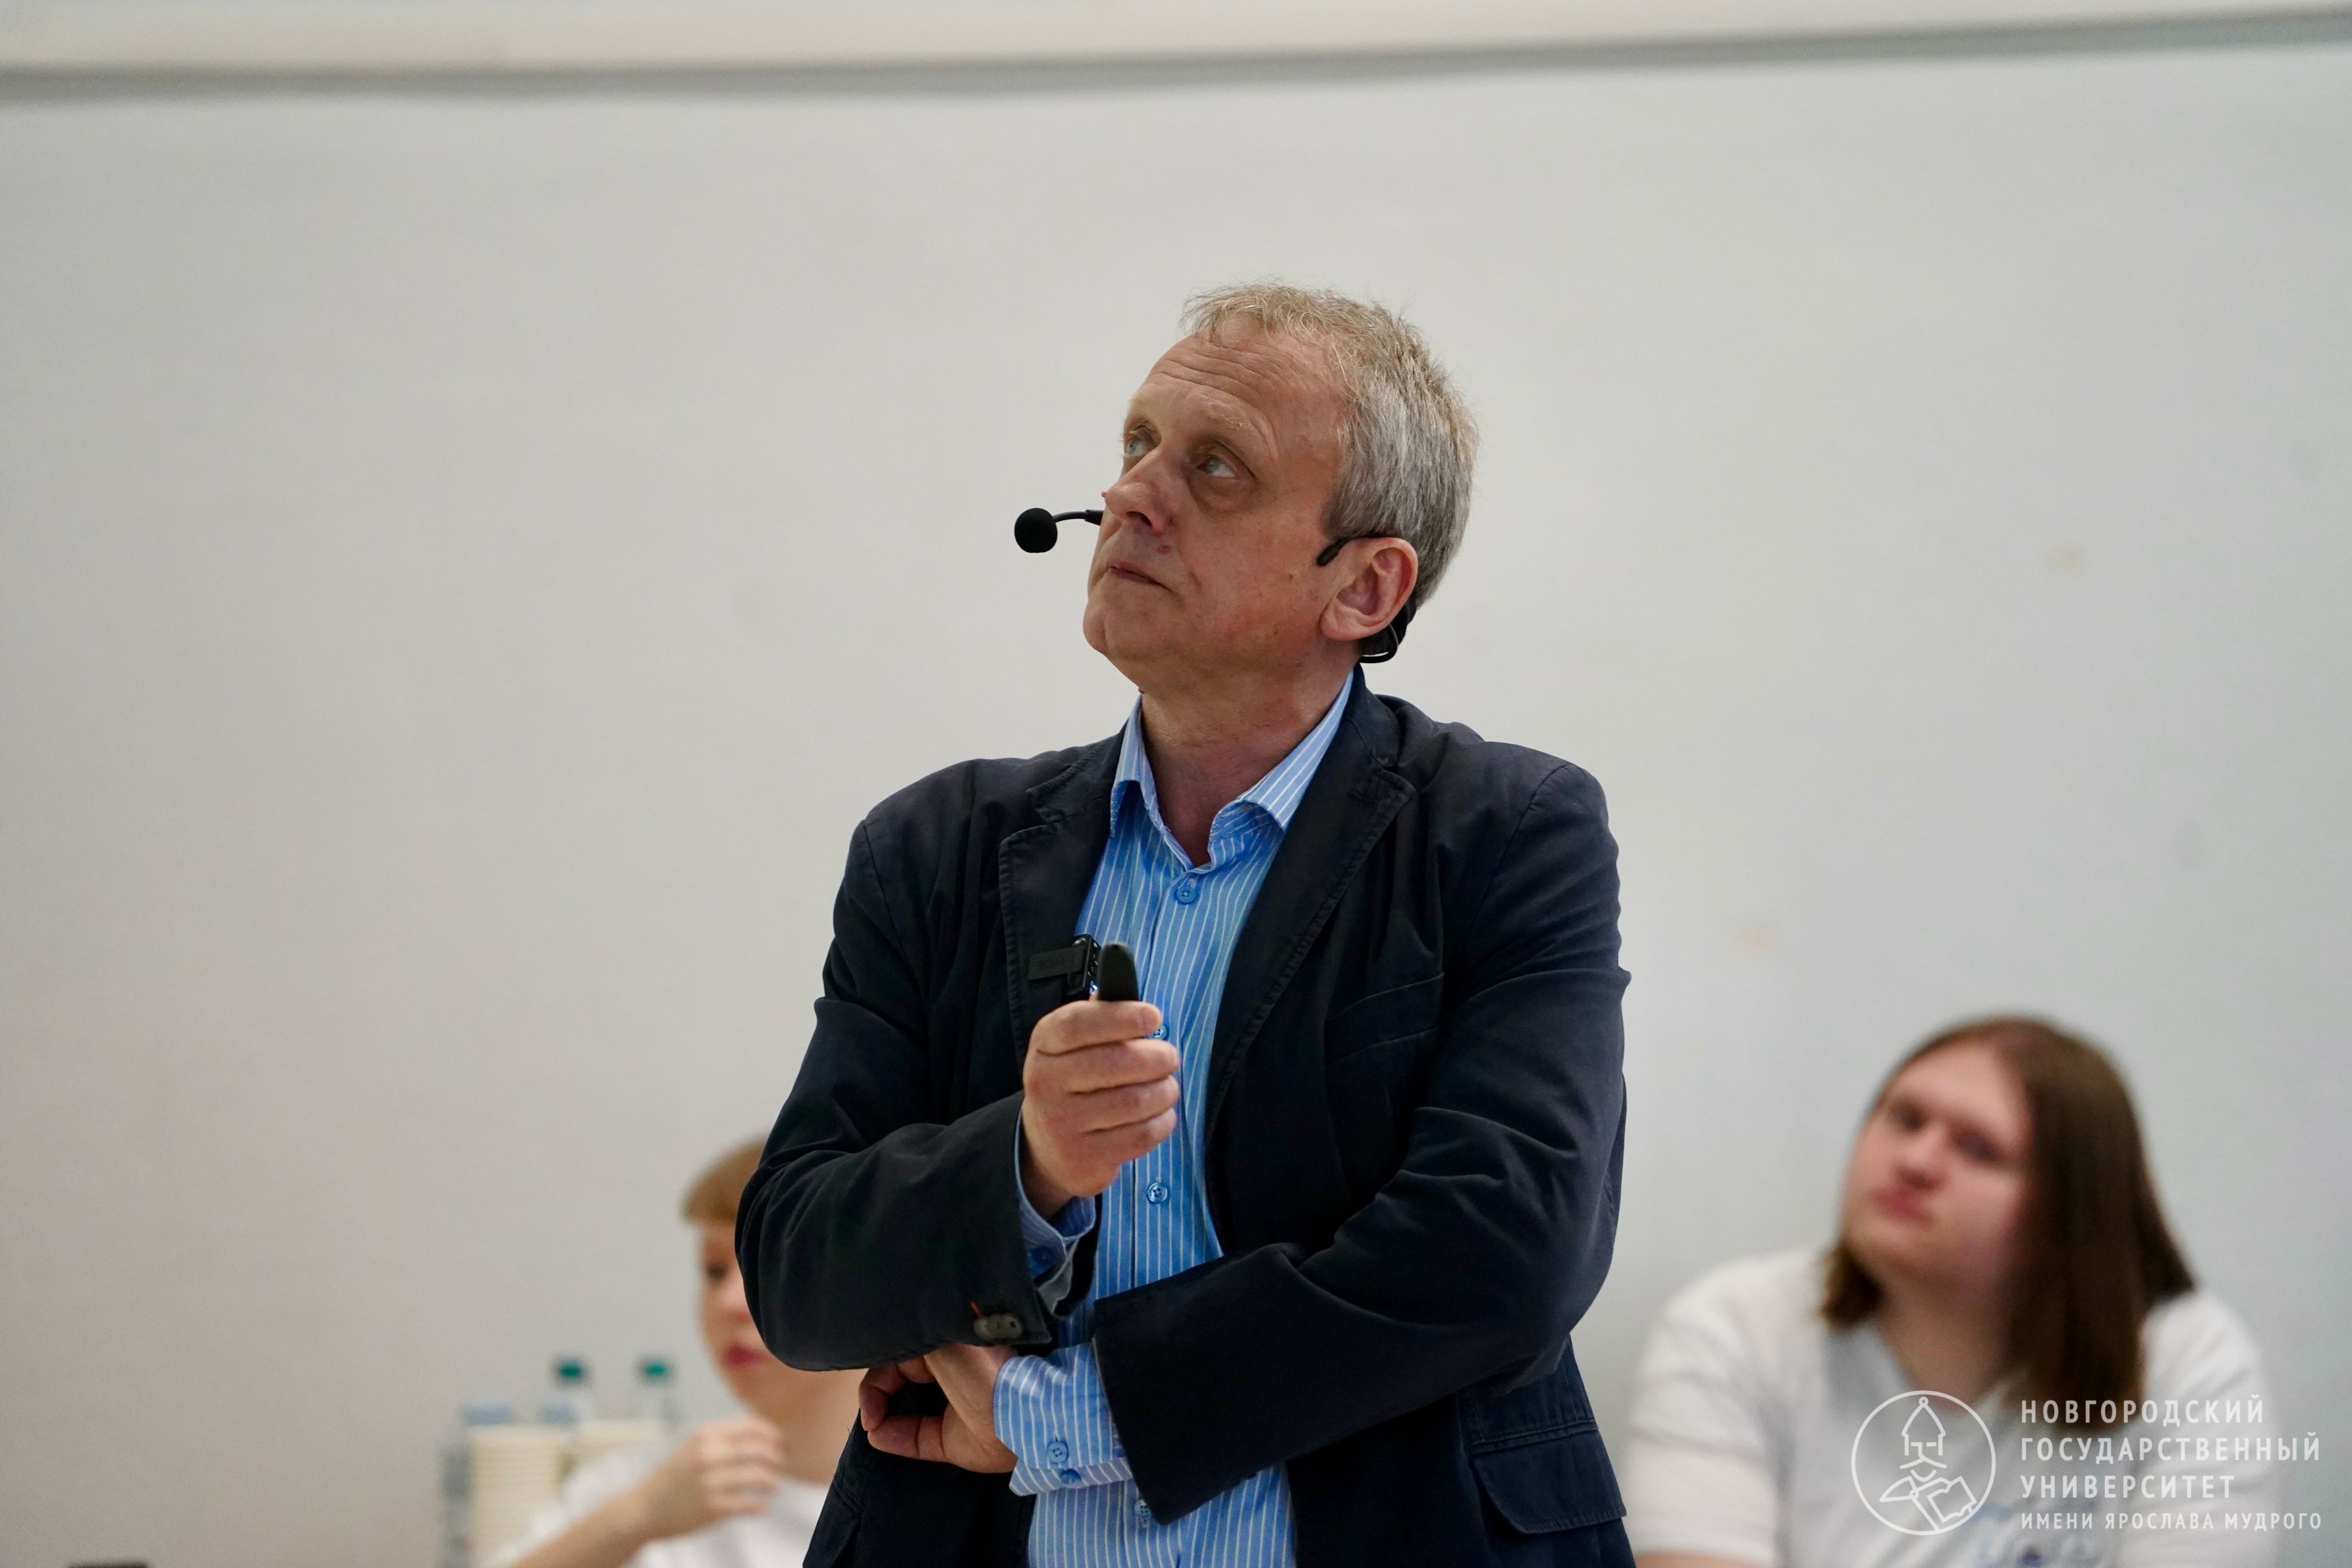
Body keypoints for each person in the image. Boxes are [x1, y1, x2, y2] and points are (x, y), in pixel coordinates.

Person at [736, 283, 1633, 1567]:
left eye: (1215, 468)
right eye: (1136, 443)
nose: (1129, 495)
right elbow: (795, 1266)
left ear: (1363, 586)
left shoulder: (1502, 832)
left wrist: (1063, 1413)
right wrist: (1026, 1163)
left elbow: (1501, 1249)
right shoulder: (934, 850)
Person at [1623, 1016, 2281, 1568]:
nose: (1915, 1161)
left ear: (2070, 1213)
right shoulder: (1733, 1326)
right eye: (1905, 1118)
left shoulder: (2184, 1356)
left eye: (1979, 1149)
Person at [494, 1140, 863, 1568]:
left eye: (770, 1266)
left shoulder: (920, 1514)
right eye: (714, 1270)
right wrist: (634, 1519)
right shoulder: (648, 1488)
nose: (730, 1302)